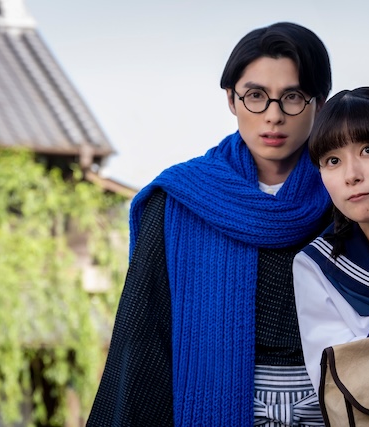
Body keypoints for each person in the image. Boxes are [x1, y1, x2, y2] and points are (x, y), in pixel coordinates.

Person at [86, 22, 333, 427]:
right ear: (231, 100)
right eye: (255, 96)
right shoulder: (179, 201)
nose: (273, 116)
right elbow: (143, 338)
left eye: (292, 97)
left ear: (319, 104)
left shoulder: (349, 199)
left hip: (335, 410)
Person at [292, 87, 369, 391]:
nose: (351, 175)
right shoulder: (318, 265)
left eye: (368, 150)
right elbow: (336, 390)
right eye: (333, 161)